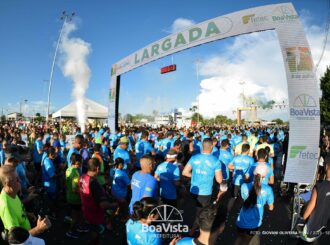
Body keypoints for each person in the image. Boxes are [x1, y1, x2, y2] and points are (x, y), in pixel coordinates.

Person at [182, 138, 222, 235]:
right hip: (205, 192)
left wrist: (195, 175)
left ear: (202, 147)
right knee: (201, 213)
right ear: (212, 147)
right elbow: (219, 180)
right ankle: (193, 231)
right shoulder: (215, 161)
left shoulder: (194, 157)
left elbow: (184, 172)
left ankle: (195, 229)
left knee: (197, 209)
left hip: (193, 190)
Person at [0, 165, 51, 236]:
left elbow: (17, 207)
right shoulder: (7, 207)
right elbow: (17, 237)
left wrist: (26, 213)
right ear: (9, 184)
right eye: (17, 179)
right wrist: (38, 229)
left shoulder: (11, 193)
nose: (20, 181)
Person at [235, 163, 274, 245]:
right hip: (254, 223)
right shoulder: (268, 189)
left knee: (239, 239)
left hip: (241, 220)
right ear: (265, 176)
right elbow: (271, 208)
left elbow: (243, 200)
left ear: (254, 173)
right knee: (246, 241)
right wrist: (263, 204)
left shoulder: (244, 186)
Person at [79, 158, 115, 245]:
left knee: (92, 229)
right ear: (98, 168)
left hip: (86, 209)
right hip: (95, 213)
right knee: (96, 233)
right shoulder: (94, 183)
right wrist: (113, 205)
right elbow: (103, 205)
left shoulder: (82, 177)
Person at [300, 155, 330, 242]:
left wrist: (301, 221)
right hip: (324, 227)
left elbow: (310, 206)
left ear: (326, 166)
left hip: (312, 227)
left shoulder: (320, 186)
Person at [65, 153, 87, 238]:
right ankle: (71, 231)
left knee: (79, 213)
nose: (82, 163)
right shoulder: (75, 173)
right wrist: (84, 192)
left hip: (69, 196)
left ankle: (79, 227)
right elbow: (75, 189)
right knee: (75, 216)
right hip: (75, 198)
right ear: (77, 162)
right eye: (81, 161)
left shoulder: (68, 169)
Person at [227, 144, 254, 213]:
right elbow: (252, 171)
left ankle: (227, 212)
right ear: (248, 150)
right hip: (245, 181)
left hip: (235, 180)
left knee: (234, 197)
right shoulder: (250, 159)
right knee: (244, 197)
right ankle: (241, 212)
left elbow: (229, 166)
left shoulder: (236, 157)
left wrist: (236, 167)